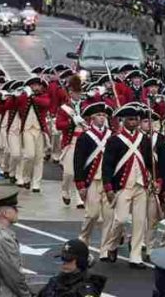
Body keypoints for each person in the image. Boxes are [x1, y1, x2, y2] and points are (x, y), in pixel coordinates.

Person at [100, 104, 153, 268]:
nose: (134, 122)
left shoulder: (144, 139)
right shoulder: (114, 140)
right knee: (121, 219)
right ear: (123, 121)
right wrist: (108, 187)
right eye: (130, 119)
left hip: (140, 185)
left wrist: (155, 180)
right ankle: (112, 244)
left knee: (139, 222)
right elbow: (107, 165)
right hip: (123, 185)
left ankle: (135, 256)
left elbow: (149, 162)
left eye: (136, 119)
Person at [74, 101, 112, 249]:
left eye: (103, 115)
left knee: (109, 216)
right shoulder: (85, 137)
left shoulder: (112, 135)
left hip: (108, 181)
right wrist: (80, 184)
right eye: (98, 115)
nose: (102, 118)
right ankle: (83, 239)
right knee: (92, 214)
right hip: (93, 180)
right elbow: (78, 161)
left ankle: (105, 248)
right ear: (91, 118)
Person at [37, 239, 106, 297]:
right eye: (63, 258)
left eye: (68, 259)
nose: (64, 262)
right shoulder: (57, 280)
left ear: (80, 262)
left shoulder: (87, 289)